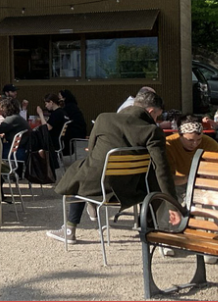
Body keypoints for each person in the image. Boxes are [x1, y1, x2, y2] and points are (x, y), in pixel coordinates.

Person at [48, 90, 178, 244]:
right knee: (150, 175)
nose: (156, 119)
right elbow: (161, 169)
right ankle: (149, 227)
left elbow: (91, 149)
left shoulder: (103, 119)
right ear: (150, 111)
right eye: (157, 115)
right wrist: (173, 205)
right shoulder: (152, 131)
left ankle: (70, 229)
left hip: (98, 185)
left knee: (79, 172)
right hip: (133, 190)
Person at [165, 114, 218, 196]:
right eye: (190, 140)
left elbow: (217, 171)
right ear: (180, 135)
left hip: (203, 184)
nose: (195, 144)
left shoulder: (210, 144)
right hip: (178, 184)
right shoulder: (168, 145)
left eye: (199, 139)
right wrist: (189, 178)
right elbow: (167, 178)